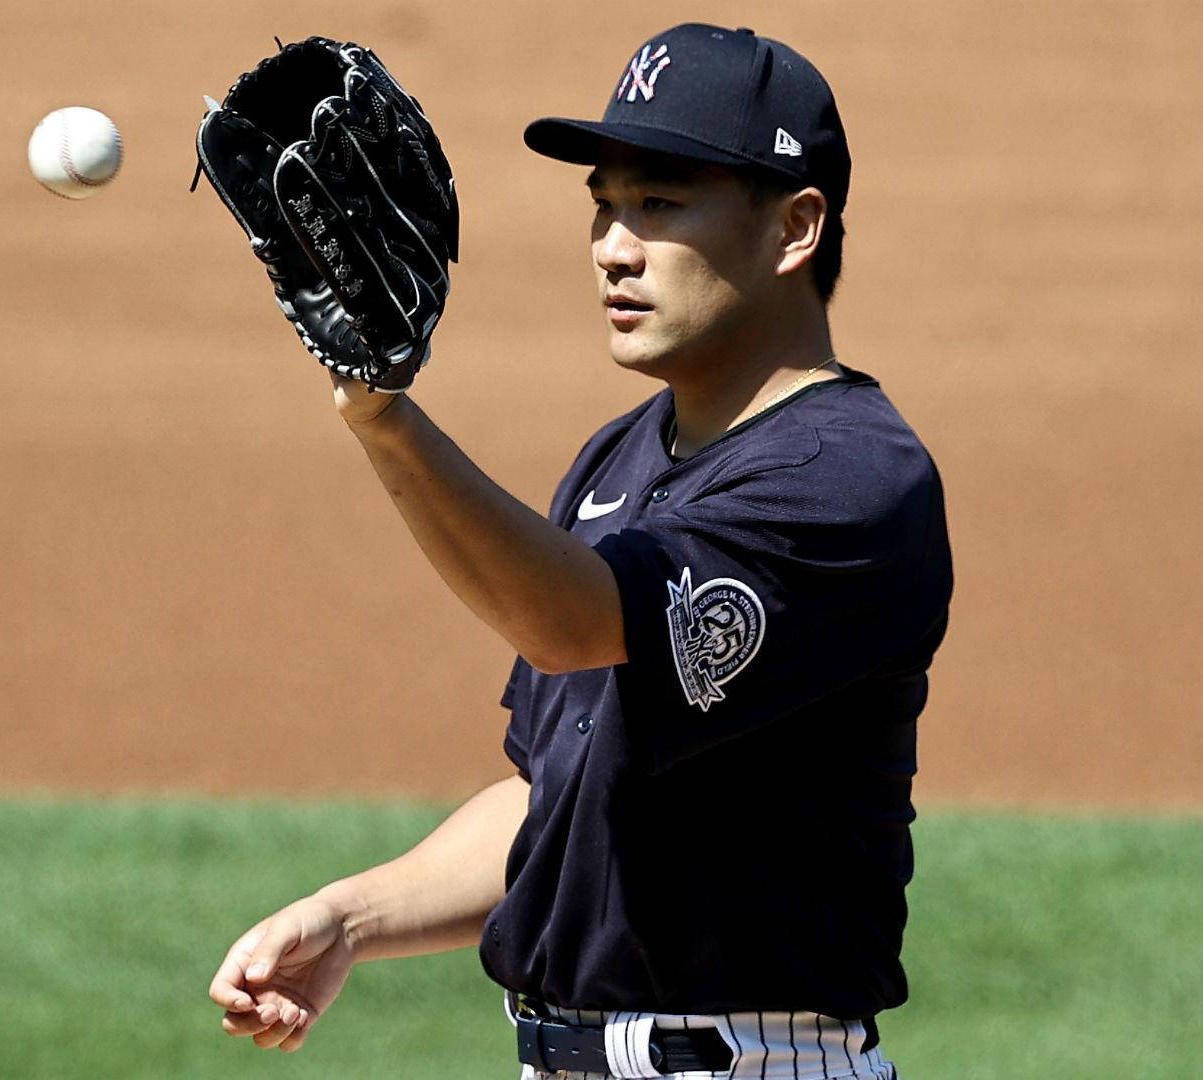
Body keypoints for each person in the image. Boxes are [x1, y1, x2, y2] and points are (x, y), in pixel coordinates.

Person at [208, 23, 951, 1079]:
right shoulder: (621, 456)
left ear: (795, 228)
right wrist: (353, 918)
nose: (612, 244)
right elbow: (557, 793)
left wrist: (382, 416)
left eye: (660, 204)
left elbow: (568, 624)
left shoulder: (848, 480)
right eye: (604, 205)